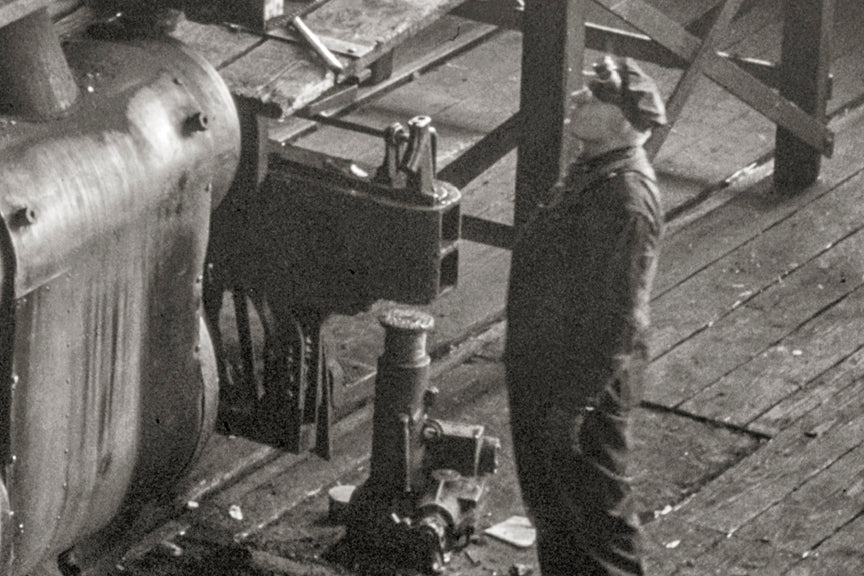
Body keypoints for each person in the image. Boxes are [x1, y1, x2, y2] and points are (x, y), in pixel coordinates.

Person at [505, 56, 667, 576]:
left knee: (599, 523)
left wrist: (574, 405)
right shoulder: (596, 171)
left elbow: (619, 318)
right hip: (550, 372)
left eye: (595, 96)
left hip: (583, 387)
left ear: (623, 120)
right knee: (555, 512)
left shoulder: (625, 198)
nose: (577, 98)